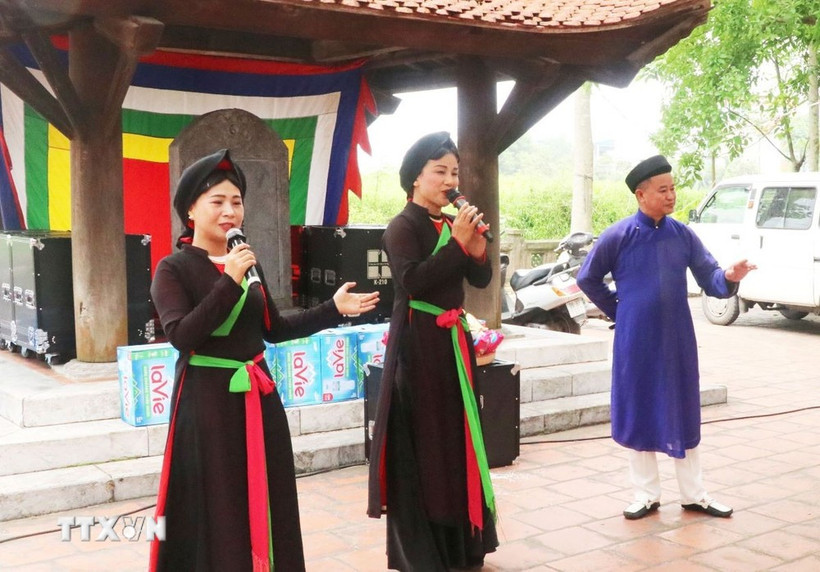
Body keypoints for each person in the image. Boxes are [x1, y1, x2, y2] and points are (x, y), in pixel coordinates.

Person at [148, 148, 379, 571]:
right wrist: (230, 279)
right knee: (218, 497)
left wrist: (333, 308)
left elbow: (275, 329)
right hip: (207, 403)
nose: (229, 211)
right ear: (191, 211)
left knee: (266, 491)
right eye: (216, 201)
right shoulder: (173, 269)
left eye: (236, 201)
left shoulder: (248, 264)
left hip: (259, 397)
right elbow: (182, 335)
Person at [577, 155, 756, 521]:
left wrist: (731, 275)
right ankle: (645, 494)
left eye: (673, 188)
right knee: (639, 405)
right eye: (664, 190)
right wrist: (620, 311)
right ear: (641, 195)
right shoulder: (618, 236)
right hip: (635, 340)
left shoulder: (682, 235)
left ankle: (695, 494)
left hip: (677, 339)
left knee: (683, 407)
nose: (672, 195)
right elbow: (587, 278)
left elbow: (713, 280)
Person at [366, 132, 499, 570]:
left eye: (454, 172)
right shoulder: (402, 226)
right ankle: (423, 552)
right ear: (415, 178)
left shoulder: (450, 223)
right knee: (427, 440)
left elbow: (477, 283)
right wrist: (459, 244)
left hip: (454, 342)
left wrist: (477, 251)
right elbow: (413, 282)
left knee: (458, 435)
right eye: (439, 171)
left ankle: (465, 543)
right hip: (419, 342)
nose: (449, 180)